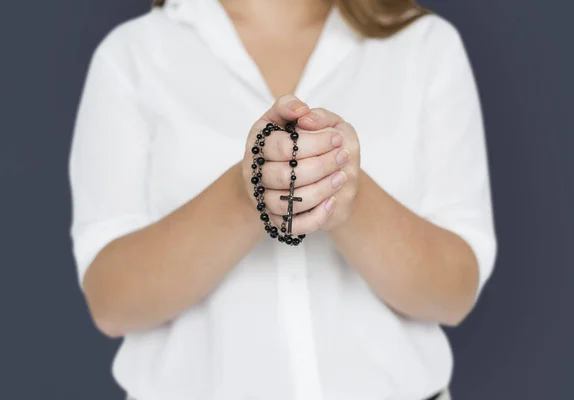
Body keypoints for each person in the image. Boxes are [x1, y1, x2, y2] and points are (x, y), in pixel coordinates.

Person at [68, 0, 497, 398]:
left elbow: (454, 292)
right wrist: (249, 191)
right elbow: (111, 300)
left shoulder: (425, 45)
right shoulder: (133, 55)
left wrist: (345, 192)